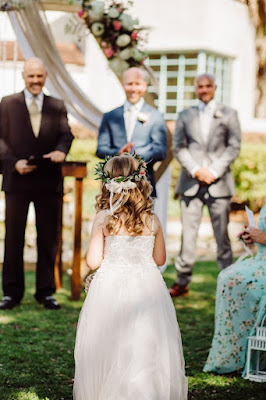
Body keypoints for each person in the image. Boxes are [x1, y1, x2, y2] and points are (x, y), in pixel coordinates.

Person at [73, 153, 187, 399]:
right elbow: (159, 260)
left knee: (108, 343)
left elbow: (93, 261)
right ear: (141, 182)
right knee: (146, 343)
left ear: (107, 183)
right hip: (147, 287)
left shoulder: (104, 219)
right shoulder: (152, 219)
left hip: (110, 288)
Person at [0, 57, 73, 310]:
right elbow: (1, 139)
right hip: (16, 181)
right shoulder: (7, 103)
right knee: (14, 238)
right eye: (31, 76)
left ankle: (46, 292)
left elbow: (66, 133)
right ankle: (11, 293)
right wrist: (13, 163)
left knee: (48, 238)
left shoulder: (57, 105)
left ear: (46, 77)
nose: (35, 81)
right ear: (23, 76)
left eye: (39, 76)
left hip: (48, 181)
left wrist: (61, 150)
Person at [170, 73, 241, 297]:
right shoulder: (185, 114)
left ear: (215, 87)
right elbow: (178, 146)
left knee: (222, 236)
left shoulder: (229, 113)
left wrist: (213, 171)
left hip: (219, 184)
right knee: (187, 236)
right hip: (190, 182)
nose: (204, 89)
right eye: (200, 86)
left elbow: (234, 146)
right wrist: (196, 170)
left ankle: (229, 283)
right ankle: (182, 282)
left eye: (208, 85)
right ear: (195, 88)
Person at [203, 204, 266, 374]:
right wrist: (252, 237)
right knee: (226, 276)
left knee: (237, 281)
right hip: (260, 261)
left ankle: (244, 357)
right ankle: (230, 356)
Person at [96, 67, 167, 197]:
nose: (133, 89)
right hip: (114, 186)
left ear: (145, 86)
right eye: (129, 84)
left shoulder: (156, 116)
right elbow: (101, 149)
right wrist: (118, 154)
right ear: (123, 85)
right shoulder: (110, 116)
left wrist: (135, 159)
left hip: (144, 186)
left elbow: (161, 151)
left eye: (137, 84)